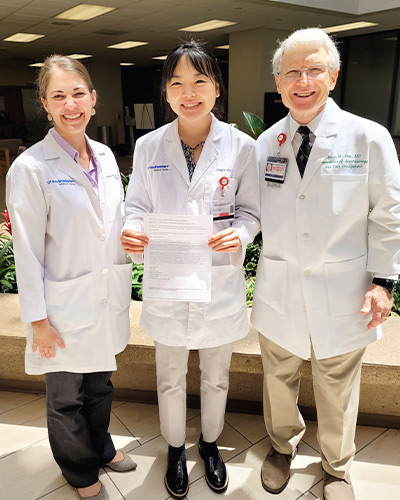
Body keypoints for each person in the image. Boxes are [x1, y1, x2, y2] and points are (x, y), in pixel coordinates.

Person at [251, 27, 400, 500]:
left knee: (338, 385)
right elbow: (249, 211)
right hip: (281, 286)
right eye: (292, 71)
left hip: (343, 288)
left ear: (332, 76)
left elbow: (389, 213)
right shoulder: (265, 143)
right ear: (278, 82)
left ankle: (336, 468)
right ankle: (281, 446)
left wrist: (383, 282)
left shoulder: (368, 137)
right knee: (278, 376)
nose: (303, 80)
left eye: (314, 69)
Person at [121, 40, 260, 498]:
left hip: (217, 277)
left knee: (217, 374)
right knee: (169, 374)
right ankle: (177, 448)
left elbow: (251, 213)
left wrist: (238, 235)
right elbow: (135, 205)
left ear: (216, 88)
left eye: (199, 81)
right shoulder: (148, 146)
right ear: (166, 91)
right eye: (177, 82)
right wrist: (134, 230)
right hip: (169, 278)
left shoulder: (241, 147)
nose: (189, 92)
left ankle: (211, 443)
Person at [6, 55, 136, 500]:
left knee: (100, 383)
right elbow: (26, 250)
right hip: (60, 308)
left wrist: (132, 246)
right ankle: (79, 470)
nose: (71, 104)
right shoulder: (30, 168)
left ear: (94, 99)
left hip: (102, 295)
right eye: (58, 96)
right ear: (45, 104)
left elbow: (111, 224)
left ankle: (100, 445)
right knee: (66, 396)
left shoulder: (103, 155)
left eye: (78, 93)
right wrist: (37, 320)